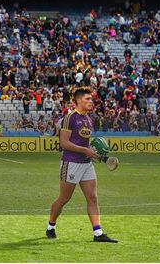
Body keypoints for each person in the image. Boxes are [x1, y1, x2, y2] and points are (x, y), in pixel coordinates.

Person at [46, 87, 118, 242]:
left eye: (91, 99)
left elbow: (86, 143)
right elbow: (63, 143)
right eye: (87, 99)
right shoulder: (70, 117)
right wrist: (85, 150)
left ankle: (98, 233)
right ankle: (51, 225)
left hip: (86, 164)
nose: (91, 101)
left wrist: (94, 153)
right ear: (78, 100)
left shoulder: (89, 119)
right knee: (64, 198)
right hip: (70, 162)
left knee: (92, 198)